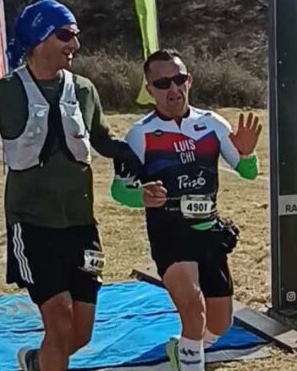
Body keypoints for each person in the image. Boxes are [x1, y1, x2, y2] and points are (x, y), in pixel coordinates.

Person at [0, 0, 132, 371]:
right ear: (40, 37)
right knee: (59, 322)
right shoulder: (2, 93)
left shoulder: (84, 90)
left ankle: (35, 362)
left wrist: (134, 153)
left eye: (76, 35)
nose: (74, 44)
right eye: (65, 35)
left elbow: (102, 139)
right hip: (31, 224)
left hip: (80, 225)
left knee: (81, 333)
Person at [110, 49, 261, 371]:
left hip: (208, 230)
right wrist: (141, 197)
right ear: (149, 90)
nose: (173, 89)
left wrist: (247, 154)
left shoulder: (212, 124)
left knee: (219, 324)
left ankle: (185, 351)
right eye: (162, 83)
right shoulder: (140, 134)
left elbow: (247, 172)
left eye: (179, 79)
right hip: (169, 232)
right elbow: (119, 190)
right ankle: (192, 362)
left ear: (189, 80)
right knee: (193, 307)